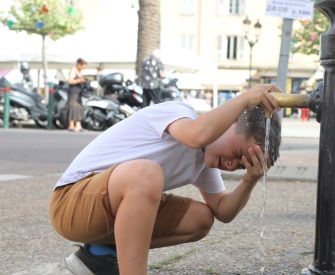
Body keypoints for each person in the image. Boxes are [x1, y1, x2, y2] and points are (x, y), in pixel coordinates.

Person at [49, 84, 282, 275]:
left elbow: (224, 211)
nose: (232, 165)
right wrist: (244, 99)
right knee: (146, 174)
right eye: (238, 154)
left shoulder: (202, 161)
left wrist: (249, 180)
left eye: (242, 166)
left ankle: (99, 255)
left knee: (201, 219)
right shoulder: (179, 113)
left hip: (102, 213)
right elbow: (196, 134)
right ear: (230, 122)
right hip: (71, 202)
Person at [66, 58, 87, 132]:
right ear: (79, 64)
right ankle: (72, 125)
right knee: (73, 107)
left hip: (78, 93)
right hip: (73, 92)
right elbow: (69, 81)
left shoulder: (78, 71)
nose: (83, 68)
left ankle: (77, 125)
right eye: (83, 66)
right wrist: (80, 80)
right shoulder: (73, 70)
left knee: (78, 108)